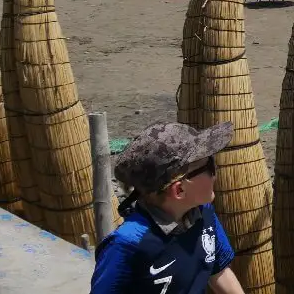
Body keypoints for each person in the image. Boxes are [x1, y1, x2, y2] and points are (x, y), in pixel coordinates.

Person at [90, 121, 243, 294]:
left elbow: (219, 271)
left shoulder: (203, 213)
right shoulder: (127, 244)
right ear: (179, 189)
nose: (216, 174)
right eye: (210, 167)